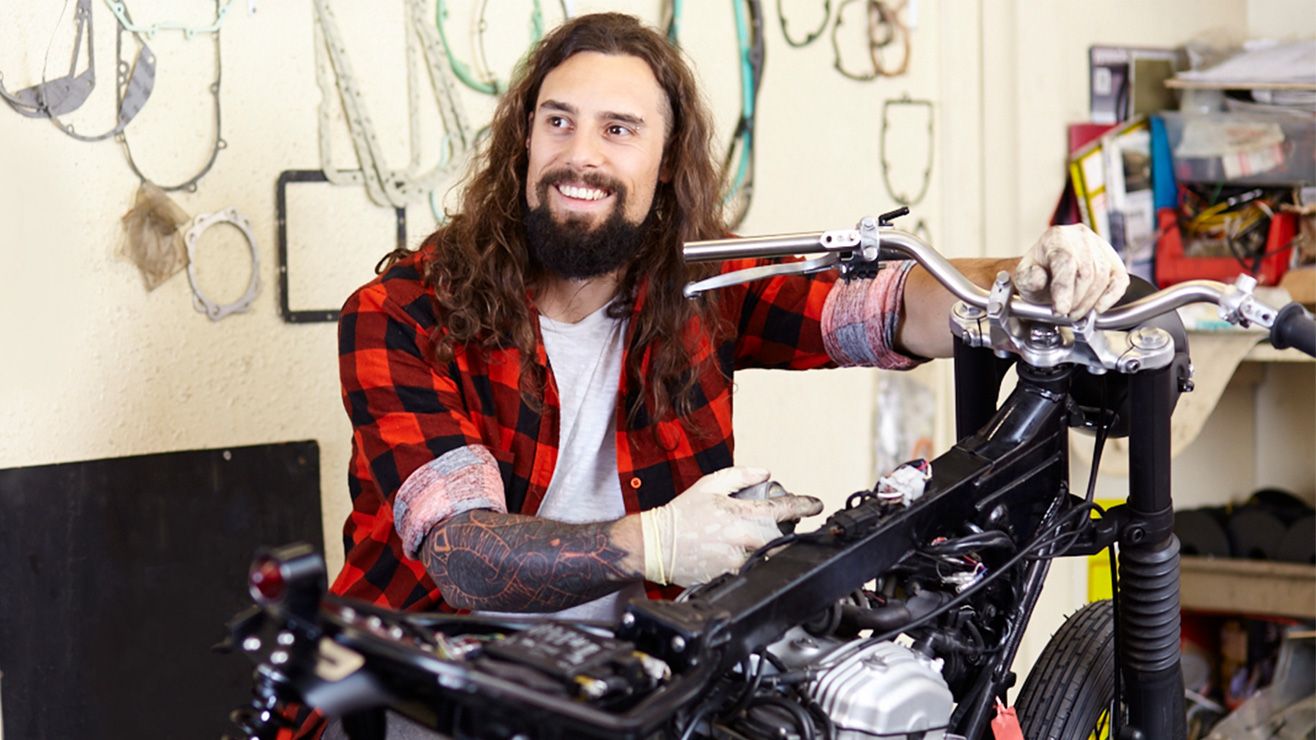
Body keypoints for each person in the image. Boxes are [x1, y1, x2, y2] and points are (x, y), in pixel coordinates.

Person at [328, 12, 1129, 625]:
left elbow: (891, 309)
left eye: (619, 130)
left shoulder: (702, 284)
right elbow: (464, 555)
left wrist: (1023, 278)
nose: (581, 156)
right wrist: (659, 542)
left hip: (641, 669)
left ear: (667, 160)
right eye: (559, 121)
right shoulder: (405, 315)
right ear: (525, 139)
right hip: (426, 675)